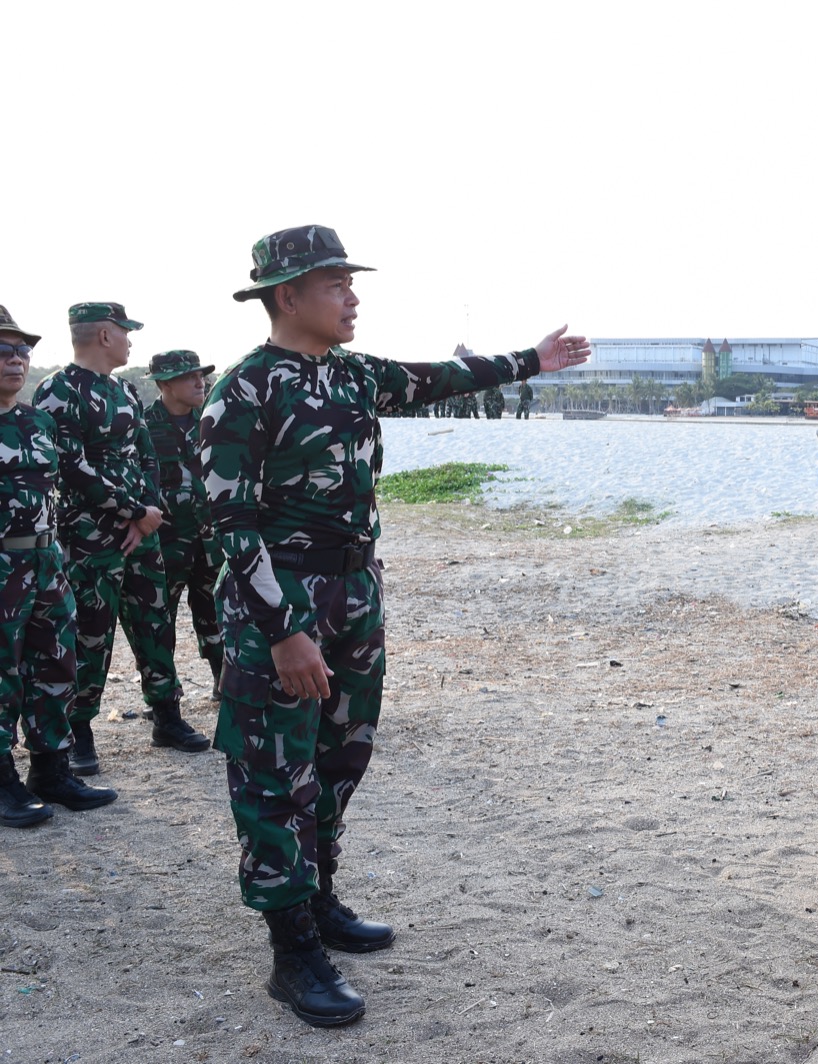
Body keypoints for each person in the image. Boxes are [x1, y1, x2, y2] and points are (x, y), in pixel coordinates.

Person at [205, 224, 590, 1027]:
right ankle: (291, 951)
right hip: (284, 602)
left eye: (350, 281)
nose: (353, 296)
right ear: (288, 297)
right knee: (276, 774)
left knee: (340, 757)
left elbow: (438, 377)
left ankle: (324, 899)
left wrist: (531, 359)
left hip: (354, 593)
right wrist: (282, 631)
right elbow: (231, 523)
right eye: (335, 284)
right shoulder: (245, 389)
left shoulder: (350, 375)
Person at [33, 303, 209, 776]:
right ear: (105, 335)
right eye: (125, 331)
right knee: (91, 631)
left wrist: (149, 513)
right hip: (91, 535)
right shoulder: (58, 390)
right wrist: (133, 512)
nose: (131, 339)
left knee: (154, 623)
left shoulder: (125, 390)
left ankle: (166, 716)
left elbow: (147, 455)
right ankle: (80, 728)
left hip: (142, 531)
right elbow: (71, 466)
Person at [0, 305, 119, 826]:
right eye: (2, 350)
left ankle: (51, 770)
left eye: (22, 349)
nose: (15, 359)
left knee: (55, 664)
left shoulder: (37, 420)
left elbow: (67, 484)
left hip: (47, 558)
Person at [131, 350, 224, 701]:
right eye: (188, 376)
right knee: (157, 624)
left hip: (211, 540)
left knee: (217, 615)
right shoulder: (143, 426)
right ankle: (163, 699)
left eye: (200, 375)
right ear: (164, 383)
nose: (199, 382)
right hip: (164, 543)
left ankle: (225, 683)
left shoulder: (213, 420)